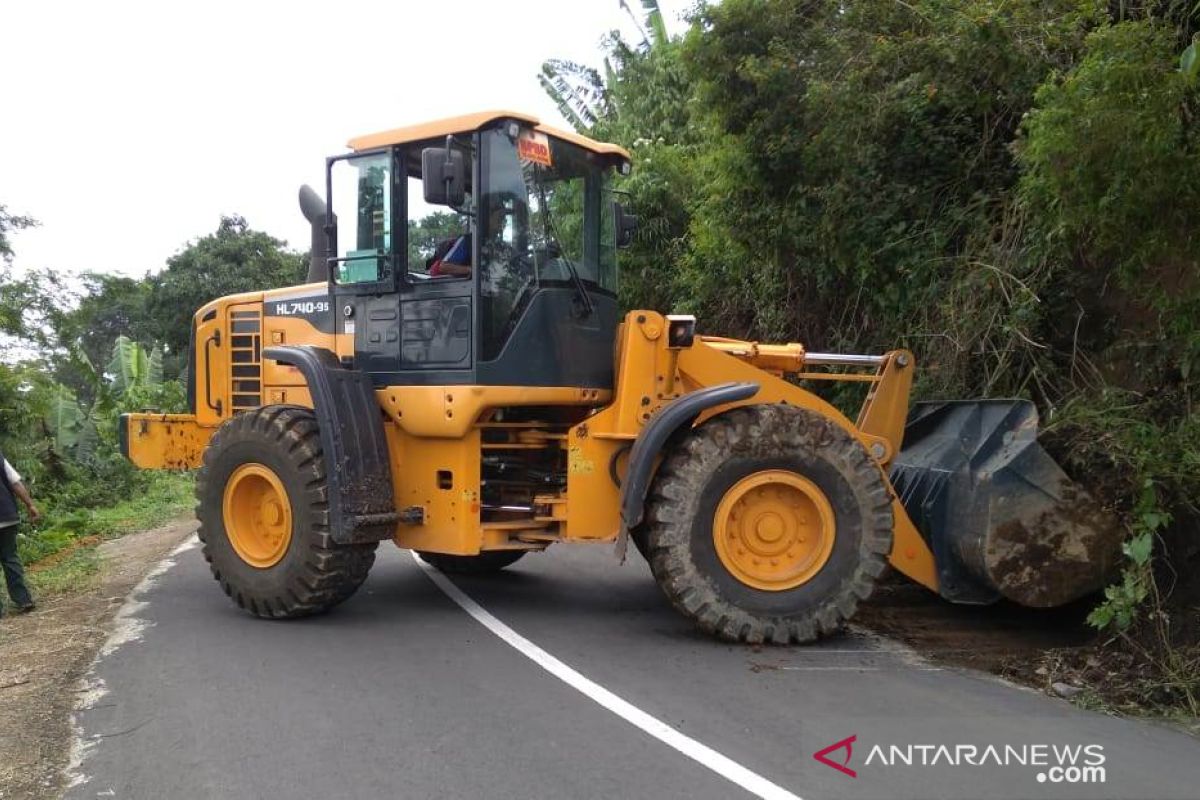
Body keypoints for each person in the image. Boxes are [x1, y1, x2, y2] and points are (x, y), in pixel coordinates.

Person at [0, 451, 40, 616]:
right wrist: (30, 505)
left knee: (10, 557)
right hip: (6, 514)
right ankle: (23, 600)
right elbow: (15, 482)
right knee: (10, 558)